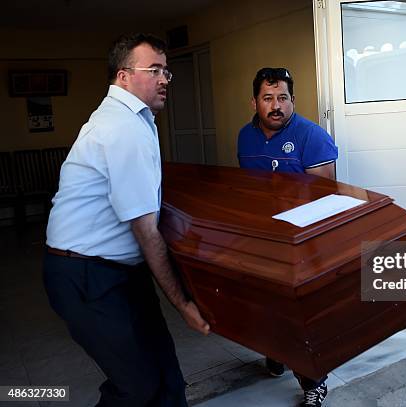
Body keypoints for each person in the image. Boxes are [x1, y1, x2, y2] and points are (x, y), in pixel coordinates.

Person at [44, 33, 210, 407]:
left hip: (120, 272)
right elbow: (146, 231)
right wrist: (183, 303)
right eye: (155, 70)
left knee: (167, 379)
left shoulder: (138, 120)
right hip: (86, 274)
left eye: (167, 71)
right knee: (137, 387)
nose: (165, 78)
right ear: (123, 76)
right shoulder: (122, 128)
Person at [237, 67, 338, 407]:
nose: (276, 105)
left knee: (300, 315)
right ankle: (275, 352)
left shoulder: (313, 137)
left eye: (283, 98)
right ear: (254, 102)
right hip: (262, 237)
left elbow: (326, 199)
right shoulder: (244, 137)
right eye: (268, 98)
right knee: (264, 303)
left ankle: (314, 381)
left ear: (293, 100)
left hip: (301, 241)